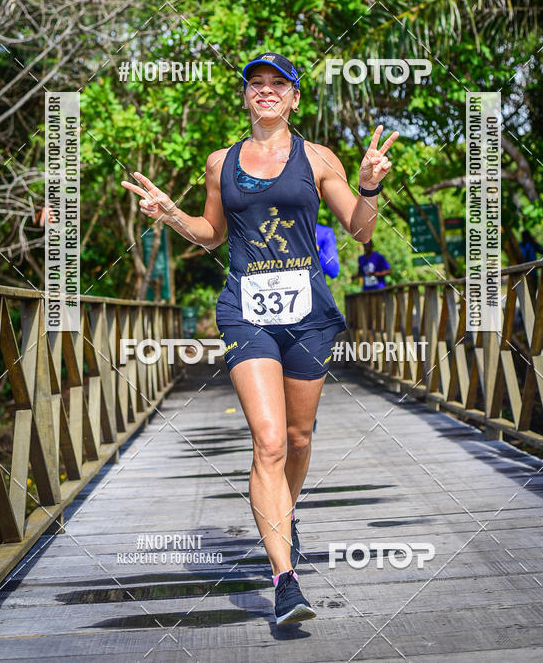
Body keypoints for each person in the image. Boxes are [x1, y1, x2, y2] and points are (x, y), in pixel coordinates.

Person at [122, 51, 399, 626]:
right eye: (257, 84)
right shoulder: (220, 161)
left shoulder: (319, 158)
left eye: (279, 84)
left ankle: (285, 515)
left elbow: (361, 229)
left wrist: (369, 185)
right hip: (245, 311)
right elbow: (211, 234)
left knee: (298, 440)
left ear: (295, 98)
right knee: (269, 441)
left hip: (309, 314)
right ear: (246, 97)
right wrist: (171, 214)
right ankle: (285, 581)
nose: (266, 91)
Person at [519, 228, 543, 293]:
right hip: (530, 270)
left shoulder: (527, 244)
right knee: (531, 290)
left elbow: (541, 250)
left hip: (528, 270)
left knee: (530, 291)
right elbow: (542, 250)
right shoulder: (528, 244)